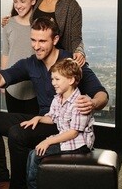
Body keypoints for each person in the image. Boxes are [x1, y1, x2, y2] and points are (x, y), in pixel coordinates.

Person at [0, 17, 108, 189]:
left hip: (63, 125)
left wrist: (92, 102)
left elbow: (102, 94)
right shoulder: (31, 63)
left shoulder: (71, 64)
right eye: (33, 40)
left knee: (17, 134)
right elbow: (2, 76)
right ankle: (2, 181)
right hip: (45, 118)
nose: (36, 46)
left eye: (42, 41)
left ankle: (19, 187)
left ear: (55, 40)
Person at [22, 58, 94, 189]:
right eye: (52, 79)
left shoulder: (79, 103)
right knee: (32, 153)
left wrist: (49, 141)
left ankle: (33, 187)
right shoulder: (58, 99)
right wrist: (38, 118)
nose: (53, 83)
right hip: (66, 139)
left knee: (36, 154)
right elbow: (53, 118)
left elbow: (73, 133)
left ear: (71, 80)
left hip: (79, 144)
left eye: (57, 79)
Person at [3, 0, 86, 66]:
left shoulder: (72, 5)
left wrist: (79, 51)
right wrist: (11, 19)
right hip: (37, 59)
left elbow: (76, 37)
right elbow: (26, 6)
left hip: (58, 64)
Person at [1, 0, 39, 115]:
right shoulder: (8, 24)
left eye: (22, 1)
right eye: (15, 1)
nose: (18, 5)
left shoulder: (41, 25)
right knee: (14, 126)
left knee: (34, 129)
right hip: (12, 86)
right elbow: (6, 53)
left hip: (36, 87)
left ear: (33, 0)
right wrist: (3, 79)